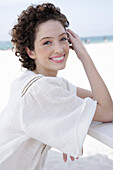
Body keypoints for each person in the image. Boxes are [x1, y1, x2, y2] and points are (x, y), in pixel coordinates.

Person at [0, 3, 113, 170]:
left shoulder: (30, 81)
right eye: (47, 43)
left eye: (63, 39)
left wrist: (67, 131)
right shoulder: (42, 90)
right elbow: (108, 111)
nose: (59, 49)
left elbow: (102, 102)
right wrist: (85, 57)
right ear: (31, 52)